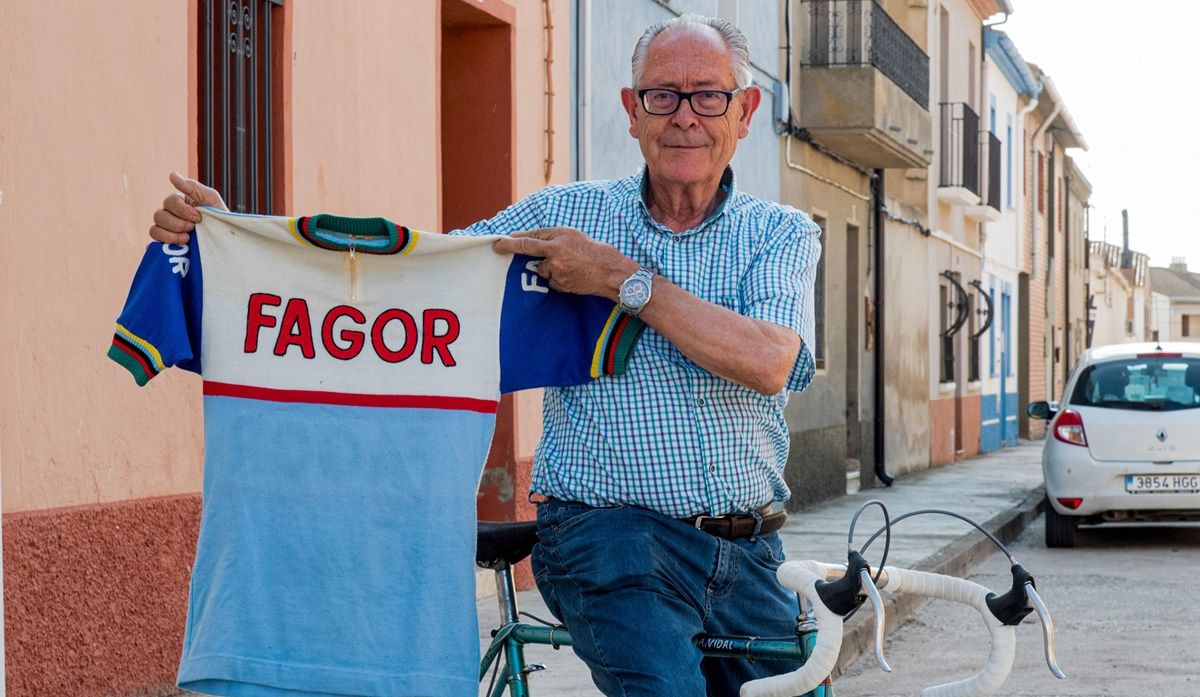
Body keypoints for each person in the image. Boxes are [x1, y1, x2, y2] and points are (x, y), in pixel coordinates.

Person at [148, 13, 821, 696]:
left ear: (744, 112)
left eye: (708, 95)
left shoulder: (778, 234)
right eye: (662, 95)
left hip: (751, 550)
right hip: (609, 538)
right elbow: (418, 277)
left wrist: (622, 281)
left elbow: (769, 360)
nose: (685, 116)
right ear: (631, 110)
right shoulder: (569, 217)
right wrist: (240, 242)